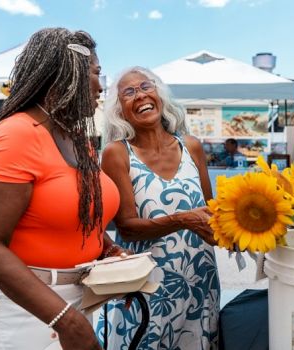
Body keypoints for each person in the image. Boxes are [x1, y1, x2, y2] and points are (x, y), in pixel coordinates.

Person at [0, 28, 125, 350]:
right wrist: (66, 320)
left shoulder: (73, 138)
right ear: (66, 74)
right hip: (17, 308)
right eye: (95, 73)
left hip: (70, 300)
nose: (101, 87)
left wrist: (110, 251)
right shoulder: (15, 135)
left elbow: (72, 215)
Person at [97, 66, 220, 349]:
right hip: (148, 287)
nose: (140, 95)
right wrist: (183, 220)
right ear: (120, 110)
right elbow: (126, 227)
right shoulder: (117, 153)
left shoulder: (192, 147)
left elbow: (212, 214)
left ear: (160, 95)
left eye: (146, 87)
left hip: (201, 282)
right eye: (129, 92)